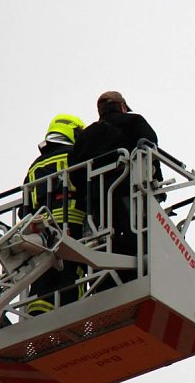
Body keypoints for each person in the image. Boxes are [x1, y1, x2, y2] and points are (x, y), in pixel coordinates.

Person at [69, 91, 161, 286]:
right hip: (126, 193)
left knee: (103, 244)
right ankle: (136, 278)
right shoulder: (134, 121)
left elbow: (74, 171)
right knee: (137, 240)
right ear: (121, 106)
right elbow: (149, 149)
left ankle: (106, 283)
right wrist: (157, 186)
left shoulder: (85, 136)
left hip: (94, 206)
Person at [23, 114, 86, 316]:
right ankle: (70, 312)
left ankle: (37, 312)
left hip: (41, 228)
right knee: (72, 268)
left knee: (44, 272)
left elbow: (26, 203)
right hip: (72, 219)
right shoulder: (75, 154)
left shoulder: (35, 165)